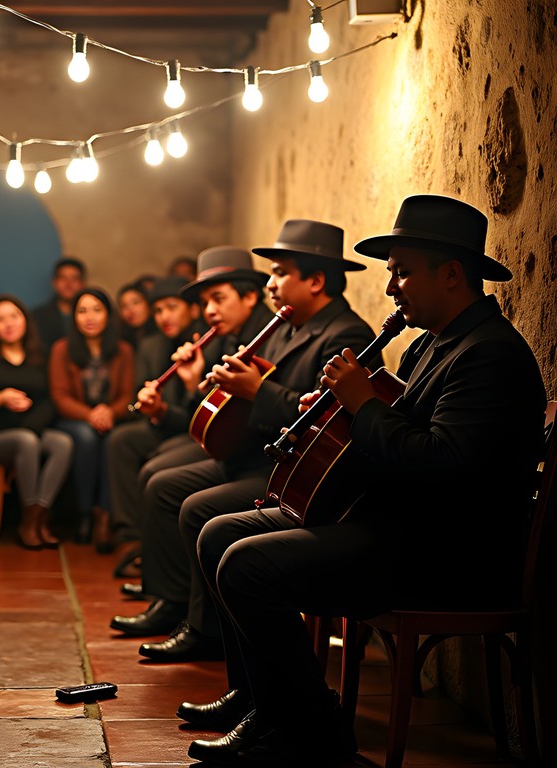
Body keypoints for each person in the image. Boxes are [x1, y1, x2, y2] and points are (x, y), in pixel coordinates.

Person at [185, 195, 546, 766]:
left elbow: (441, 463)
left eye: (402, 272)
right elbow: (396, 430)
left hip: (446, 554)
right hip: (398, 525)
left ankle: (311, 732)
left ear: (452, 274)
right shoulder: (432, 342)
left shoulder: (490, 354)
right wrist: (336, 411)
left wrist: (361, 404)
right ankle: (262, 703)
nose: (391, 288)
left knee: (247, 565)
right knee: (217, 534)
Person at [111, 224, 378, 669]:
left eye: (279, 273)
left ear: (316, 281)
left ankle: (206, 631)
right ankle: (176, 605)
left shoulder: (345, 334)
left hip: (294, 476)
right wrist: (226, 389)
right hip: (260, 456)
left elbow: (327, 425)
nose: (270, 284)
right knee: (165, 485)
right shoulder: (288, 327)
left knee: (198, 508)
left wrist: (255, 390)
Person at [106, 274, 209, 574]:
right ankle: (129, 536)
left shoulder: (207, 342)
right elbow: (141, 395)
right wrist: (151, 406)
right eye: (158, 310)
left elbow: (195, 413)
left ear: (192, 309)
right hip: (162, 422)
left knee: (160, 456)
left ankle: (154, 550)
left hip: (191, 429)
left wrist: (165, 409)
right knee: (120, 440)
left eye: (172, 307)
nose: (164, 317)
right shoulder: (151, 345)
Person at [0, 294, 74, 549]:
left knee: (63, 442)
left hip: (34, 428)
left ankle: (37, 518)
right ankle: (28, 519)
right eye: (0, 319)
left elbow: (50, 400)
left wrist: (31, 427)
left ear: (25, 320)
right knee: (26, 441)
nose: (8, 323)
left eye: (14, 316)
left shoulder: (40, 355)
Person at [48, 287, 135, 551]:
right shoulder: (61, 349)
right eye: (82, 311)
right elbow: (60, 396)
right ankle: (84, 514)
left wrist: (109, 412)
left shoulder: (123, 350)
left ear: (108, 314)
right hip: (73, 419)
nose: (90, 317)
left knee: (113, 441)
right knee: (86, 437)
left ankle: (104, 517)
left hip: (111, 419)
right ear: (73, 317)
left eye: (97, 310)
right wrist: (91, 415)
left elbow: (127, 394)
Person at [32, 255, 87, 354]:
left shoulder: (91, 315)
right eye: (63, 278)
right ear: (54, 282)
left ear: (82, 283)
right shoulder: (37, 316)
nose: (68, 284)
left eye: (74, 278)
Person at [116, 281, 159, 350]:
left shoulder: (161, 334)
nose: (131, 310)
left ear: (147, 304)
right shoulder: (121, 343)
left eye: (136, 302)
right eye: (124, 306)